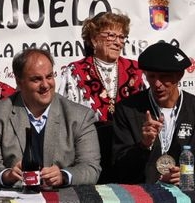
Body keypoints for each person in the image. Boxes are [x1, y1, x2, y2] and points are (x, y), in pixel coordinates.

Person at [0, 48, 100, 188]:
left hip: (64, 200)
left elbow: (91, 167)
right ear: (19, 82)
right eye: (36, 79)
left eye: (49, 76)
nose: (45, 85)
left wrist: (64, 176)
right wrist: (6, 175)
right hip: (16, 200)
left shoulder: (81, 116)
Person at [109, 39, 195, 185]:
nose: (157, 84)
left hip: (187, 197)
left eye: (164, 77)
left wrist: (187, 177)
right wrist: (143, 146)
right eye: (152, 76)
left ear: (179, 75)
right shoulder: (127, 110)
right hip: (142, 195)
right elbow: (119, 169)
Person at [57, 11, 145, 174]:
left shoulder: (137, 71)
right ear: (93, 38)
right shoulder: (74, 72)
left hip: (128, 152)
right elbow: (62, 116)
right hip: (88, 152)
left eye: (121, 37)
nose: (118, 42)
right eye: (111, 36)